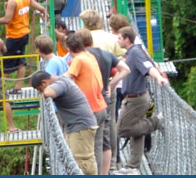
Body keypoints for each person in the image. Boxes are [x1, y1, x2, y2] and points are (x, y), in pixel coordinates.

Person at [75, 28, 130, 175]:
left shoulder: (82, 57)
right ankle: (105, 172)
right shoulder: (106, 54)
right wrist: (111, 84)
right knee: (104, 142)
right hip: (104, 101)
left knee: (89, 143)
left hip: (88, 103)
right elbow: (125, 69)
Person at [114, 26, 167, 175]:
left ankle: (156, 122)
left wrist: (159, 77)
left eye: (119, 38)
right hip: (135, 97)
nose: (117, 40)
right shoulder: (132, 52)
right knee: (136, 131)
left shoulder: (136, 52)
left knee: (122, 129)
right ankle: (133, 166)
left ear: (127, 39)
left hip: (136, 99)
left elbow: (148, 67)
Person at [31, 71, 98, 175]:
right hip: (76, 126)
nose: (40, 93)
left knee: (83, 160)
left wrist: (44, 92)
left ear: (44, 83)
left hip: (81, 126)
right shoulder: (61, 80)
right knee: (73, 158)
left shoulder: (60, 83)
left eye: (40, 89)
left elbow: (48, 93)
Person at [0, 0, 48, 95]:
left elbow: (7, 20)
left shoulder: (12, 1)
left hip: (14, 36)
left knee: (6, 63)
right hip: (24, 34)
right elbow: (41, 8)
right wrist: (45, 15)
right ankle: (17, 87)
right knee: (21, 62)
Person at [64, 33, 107, 174]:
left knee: (85, 152)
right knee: (97, 148)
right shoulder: (90, 56)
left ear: (69, 50)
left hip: (88, 112)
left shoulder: (79, 60)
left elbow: (66, 79)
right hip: (100, 106)